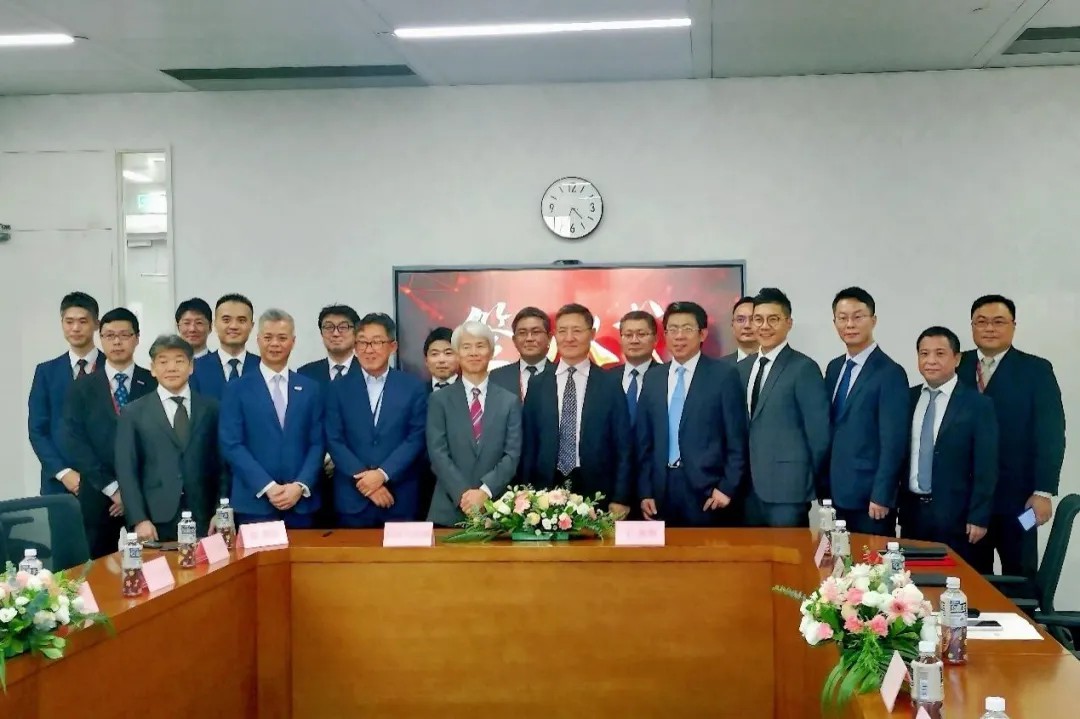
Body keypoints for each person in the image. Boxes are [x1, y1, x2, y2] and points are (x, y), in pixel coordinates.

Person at [958, 295, 1065, 576]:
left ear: (1013, 326)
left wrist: (1043, 492)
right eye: (981, 322)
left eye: (998, 322)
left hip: (1020, 500)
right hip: (967, 501)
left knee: (1020, 573)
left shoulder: (1036, 370)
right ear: (972, 326)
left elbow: (1051, 434)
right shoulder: (957, 365)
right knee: (969, 579)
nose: (989, 328)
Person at [636, 302, 747, 527]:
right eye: (673, 329)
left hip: (708, 491)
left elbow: (737, 439)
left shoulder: (724, 375)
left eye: (687, 329)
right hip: (662, 490)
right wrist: (645, 491)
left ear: (702, 334)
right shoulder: (653, 378)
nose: (679, 336)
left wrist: (726, 488)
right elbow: (644, 441)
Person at [521, 303, 632, 517]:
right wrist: (525, 494)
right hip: (545, 489)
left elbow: (623, 446)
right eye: (562, 331)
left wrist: (621, 497)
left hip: (596, 489)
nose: (569, 338)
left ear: (592, 333)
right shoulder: (538, 383)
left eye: (577, 330)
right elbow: (529, 444)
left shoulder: (609, 384)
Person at [62, 307, 156, 558]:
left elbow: (159, 443)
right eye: (110, 335)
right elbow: (74, 442)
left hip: (146, 495)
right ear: (100, 338)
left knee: (151, 565)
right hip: (97, 494)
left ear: (137, 338)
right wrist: (114, 489)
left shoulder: (153, 383)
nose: (117, 342)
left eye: (124, 335)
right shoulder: (82, 387)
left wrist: (131, 493)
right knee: (96, 568)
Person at [900, 327, 998, 566]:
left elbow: (986, 466)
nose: (931, 360)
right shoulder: (907, 398)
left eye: (940, 353)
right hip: (913, 515)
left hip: (958, 519)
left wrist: (979, 516)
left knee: (955, 582)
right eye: (924, 354)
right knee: (913, 582)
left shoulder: (978, 404)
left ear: (957, 358)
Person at [115, 335, 227, 540]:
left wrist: (221, 510)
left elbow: (223, 465)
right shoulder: (133, 412)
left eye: (179, 360)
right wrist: (139, 519)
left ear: (191, 367)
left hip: (205, 516)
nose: (171, 368)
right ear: (152, 368)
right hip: (155, 519)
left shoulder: (212, 408)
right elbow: (127, 471)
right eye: (163, 361)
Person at [218, 309, 323, 528]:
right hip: (254, 503)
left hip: (301, 503)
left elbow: (318, 443)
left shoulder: (311, 388)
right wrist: (268, 487)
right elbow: (231, 444)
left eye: (282, 338)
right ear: (258, 340)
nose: (275, 344)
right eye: (268, 337)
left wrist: (300, 485)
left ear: (293, 342)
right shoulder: (237, 389)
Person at [737, 288, 830, 528]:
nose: (764, 326)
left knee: (788, 552)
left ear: (788, 323)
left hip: (788, 490)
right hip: (745, 491)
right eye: (758, 319)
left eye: (773, 319)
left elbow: (819, 435)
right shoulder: (742, 368)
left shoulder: (804, 368)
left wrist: (813, 482)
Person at [325, 313, 427, 527]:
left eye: (377, 342)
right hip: (352, 499)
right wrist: (366, 480)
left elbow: (416, 438)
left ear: (393, 346)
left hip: (399, 496)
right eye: (362, 342)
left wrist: (382, 474)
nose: (368, 349)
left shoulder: (413, 387)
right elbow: (334, 439)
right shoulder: (337, 388)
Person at [822, 287, 909, 536]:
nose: (850, 324)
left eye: (858, 316)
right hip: (836, 492)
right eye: (843, 318)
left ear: (873, 320)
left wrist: (882, 494)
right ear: (835, 322)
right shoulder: (834, 368)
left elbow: (894, 442)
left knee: (870, 560)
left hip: (871, 499)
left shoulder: (890, 373)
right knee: (837, 558)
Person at [426, 322, 522, 527]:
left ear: (491, 352)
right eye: (466, 347)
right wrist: (464, 495)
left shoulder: (509, 401)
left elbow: (512, 455)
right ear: (457, 353)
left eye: (480, 346)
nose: (473, 353)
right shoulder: (439, 400)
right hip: (449, 509)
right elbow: (437, 453)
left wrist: (484, 492)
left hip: (497, 510)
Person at [29, 291, 101, 497]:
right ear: (62, 323)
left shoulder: (112, 369)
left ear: (96, 324)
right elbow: (37, 430)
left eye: (83, 321)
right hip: (58, 484)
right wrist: (63, 473)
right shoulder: (46, 372)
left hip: (106, 486)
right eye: (69, 322)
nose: (75, 328)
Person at [191, 293, 260, 400]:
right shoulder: (195, 368)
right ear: (214, 324)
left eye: (241, 320)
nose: (233, 326)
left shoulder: (262, 366)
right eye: (226, 320)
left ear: (251, 326)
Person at [608, 310, 659, 426]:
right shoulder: (607, 378)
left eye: (641, 334)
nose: (634, 340)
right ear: (621, 339)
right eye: (628, 335)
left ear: (655, 339)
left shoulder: (666, 377)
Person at [489, 307, 552, 400]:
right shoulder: (497, 377)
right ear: (514, 340)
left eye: (536, 332)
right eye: (522, 333)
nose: (529, 338)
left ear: (549, 338)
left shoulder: (561, 374)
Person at [298, 304, 361, 385]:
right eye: (329, 327)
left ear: (356, 332)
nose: (335, 333)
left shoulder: (368, 371)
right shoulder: (305, 374)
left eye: (343, 327)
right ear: (321, 333)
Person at [721, 296, 758, 364]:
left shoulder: (776, 364)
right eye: (740, 320)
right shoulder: (719, 365)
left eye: (753, 319)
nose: (747, 325)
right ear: (732, 326)